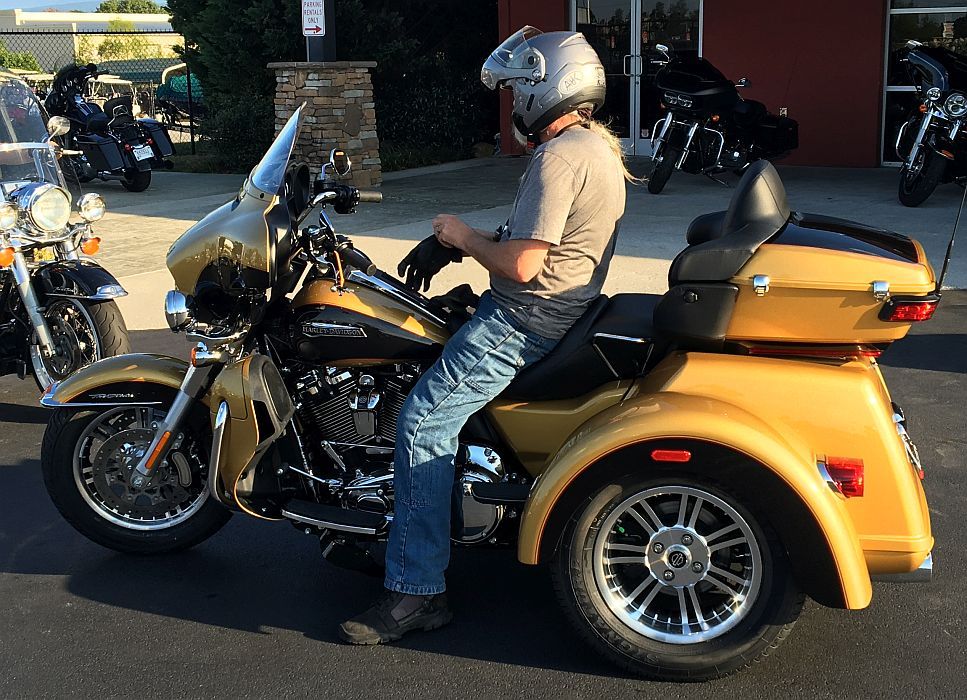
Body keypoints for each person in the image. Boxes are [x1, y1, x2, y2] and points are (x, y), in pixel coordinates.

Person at [339, 26, 634, 645]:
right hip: (559, 309)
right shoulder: (593, 147)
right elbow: (536, 235)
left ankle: (417, 590)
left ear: (544, 87)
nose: (514, 104)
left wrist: (462, 236)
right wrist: (457, 245)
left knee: (421, 421)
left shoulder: (558, 157)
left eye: (517, 91)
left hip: (525, 319)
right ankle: (412, 529)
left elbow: (524, 265)